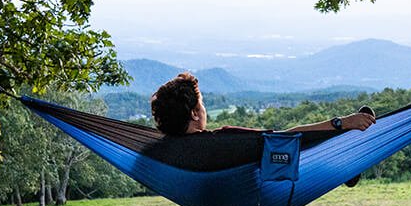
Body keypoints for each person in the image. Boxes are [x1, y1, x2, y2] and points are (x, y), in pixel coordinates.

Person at [151, 72, 375, 137]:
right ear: (194, 114)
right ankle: (341, 160)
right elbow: (286, 137)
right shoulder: (226, 139)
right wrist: (342, 122)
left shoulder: (159, 149)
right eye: (202, 104)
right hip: (261, 194)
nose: (204, 109)